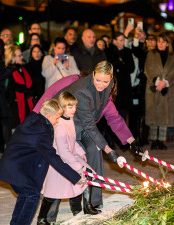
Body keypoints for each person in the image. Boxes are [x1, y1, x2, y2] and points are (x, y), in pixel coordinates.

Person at [33, 61, 142, 212]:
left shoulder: (107, 89)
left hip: (84, 127)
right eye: (98, 80)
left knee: (94, 150)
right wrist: (110, 151)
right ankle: (50, 211)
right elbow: (51, 94)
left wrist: (132, 141)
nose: (101, 85)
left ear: (110, 79)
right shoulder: (80, 88)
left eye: (105, 81)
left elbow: (114, 118)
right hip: (65, 126)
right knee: (64, 160)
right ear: (92, 75)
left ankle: (92, 200)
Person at [0, 99, 87, 225]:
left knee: (26, 195)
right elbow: (52, 158)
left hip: (14, 166)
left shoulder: (34, 120)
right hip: (17, 169)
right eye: (57, 118)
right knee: (32, 196)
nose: (57, 121)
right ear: (48, 116)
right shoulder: (41, 131)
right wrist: (74, 177)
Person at [37, 92, 95, 224]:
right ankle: (43, 218)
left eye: (75, 106)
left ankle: (81, 208)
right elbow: (63, 150)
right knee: (53, 193)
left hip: (69, 158)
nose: (74, 109)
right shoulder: (59, 124)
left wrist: (81, 153)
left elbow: (72, 141)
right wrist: (77, 167)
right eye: (70, 107)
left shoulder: (70, 120)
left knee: (85, 178)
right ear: (62, 107)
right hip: (59, 163)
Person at [144, 33, 174, 150]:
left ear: (168, 43)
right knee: (154, 114)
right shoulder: (151, 54)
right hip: (154, 87)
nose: (161, 44)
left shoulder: (173, 55)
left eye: (163, 42)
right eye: (159, 42)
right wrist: (157, 81)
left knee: (164, 115)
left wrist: (166, 82)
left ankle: (161, 140)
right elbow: (148, 69)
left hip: (167, 88)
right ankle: (154, 140)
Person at [105, 32, 135, 120]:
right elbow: (111, 66)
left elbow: (131, 68)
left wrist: (120, 65)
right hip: (113, 85)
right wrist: (121, 64)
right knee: (112, 113)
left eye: (123, 40)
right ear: (114, 41)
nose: (123, 42)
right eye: (120, 40)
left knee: (123, 114)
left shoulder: (127, 51)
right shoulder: (108, 51)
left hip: (125, 86)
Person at [6, 45, 33, 128]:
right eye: (19, 56)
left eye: (21, 55)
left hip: (26, 103)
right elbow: (10, 88)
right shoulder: (8, 71)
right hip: (15, 107)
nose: (22, 57)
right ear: (12, 58)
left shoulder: (22, 68)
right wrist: (25, 90)